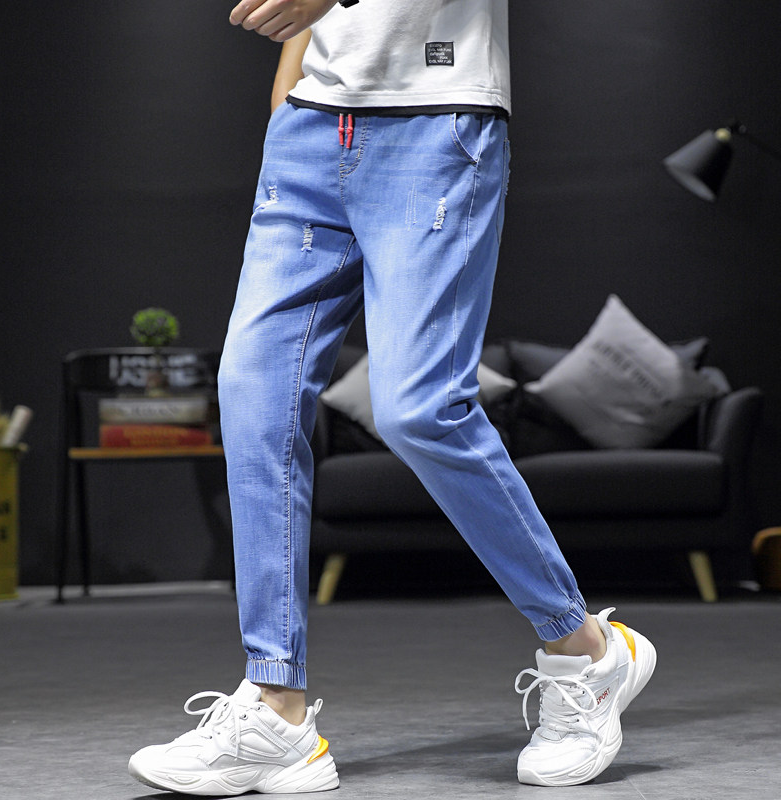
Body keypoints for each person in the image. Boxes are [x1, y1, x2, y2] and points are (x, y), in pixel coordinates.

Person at [128, 0, 656, 793]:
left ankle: (585, 651)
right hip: (310, 130)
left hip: (437, 123)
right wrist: (290, 106)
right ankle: (277, 711)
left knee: (418, 407)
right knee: (252, 396)